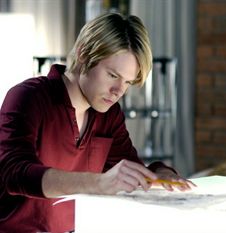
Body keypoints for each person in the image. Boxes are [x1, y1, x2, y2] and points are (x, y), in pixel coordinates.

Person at [0, 12, 194, 232]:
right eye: (112, 75)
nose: (119, 91)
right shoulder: (28, 97)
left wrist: (159, 174)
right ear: (83, 54)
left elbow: (130, 171)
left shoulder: (108, 114)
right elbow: (12, 171)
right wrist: (99, 183)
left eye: (128, 82)